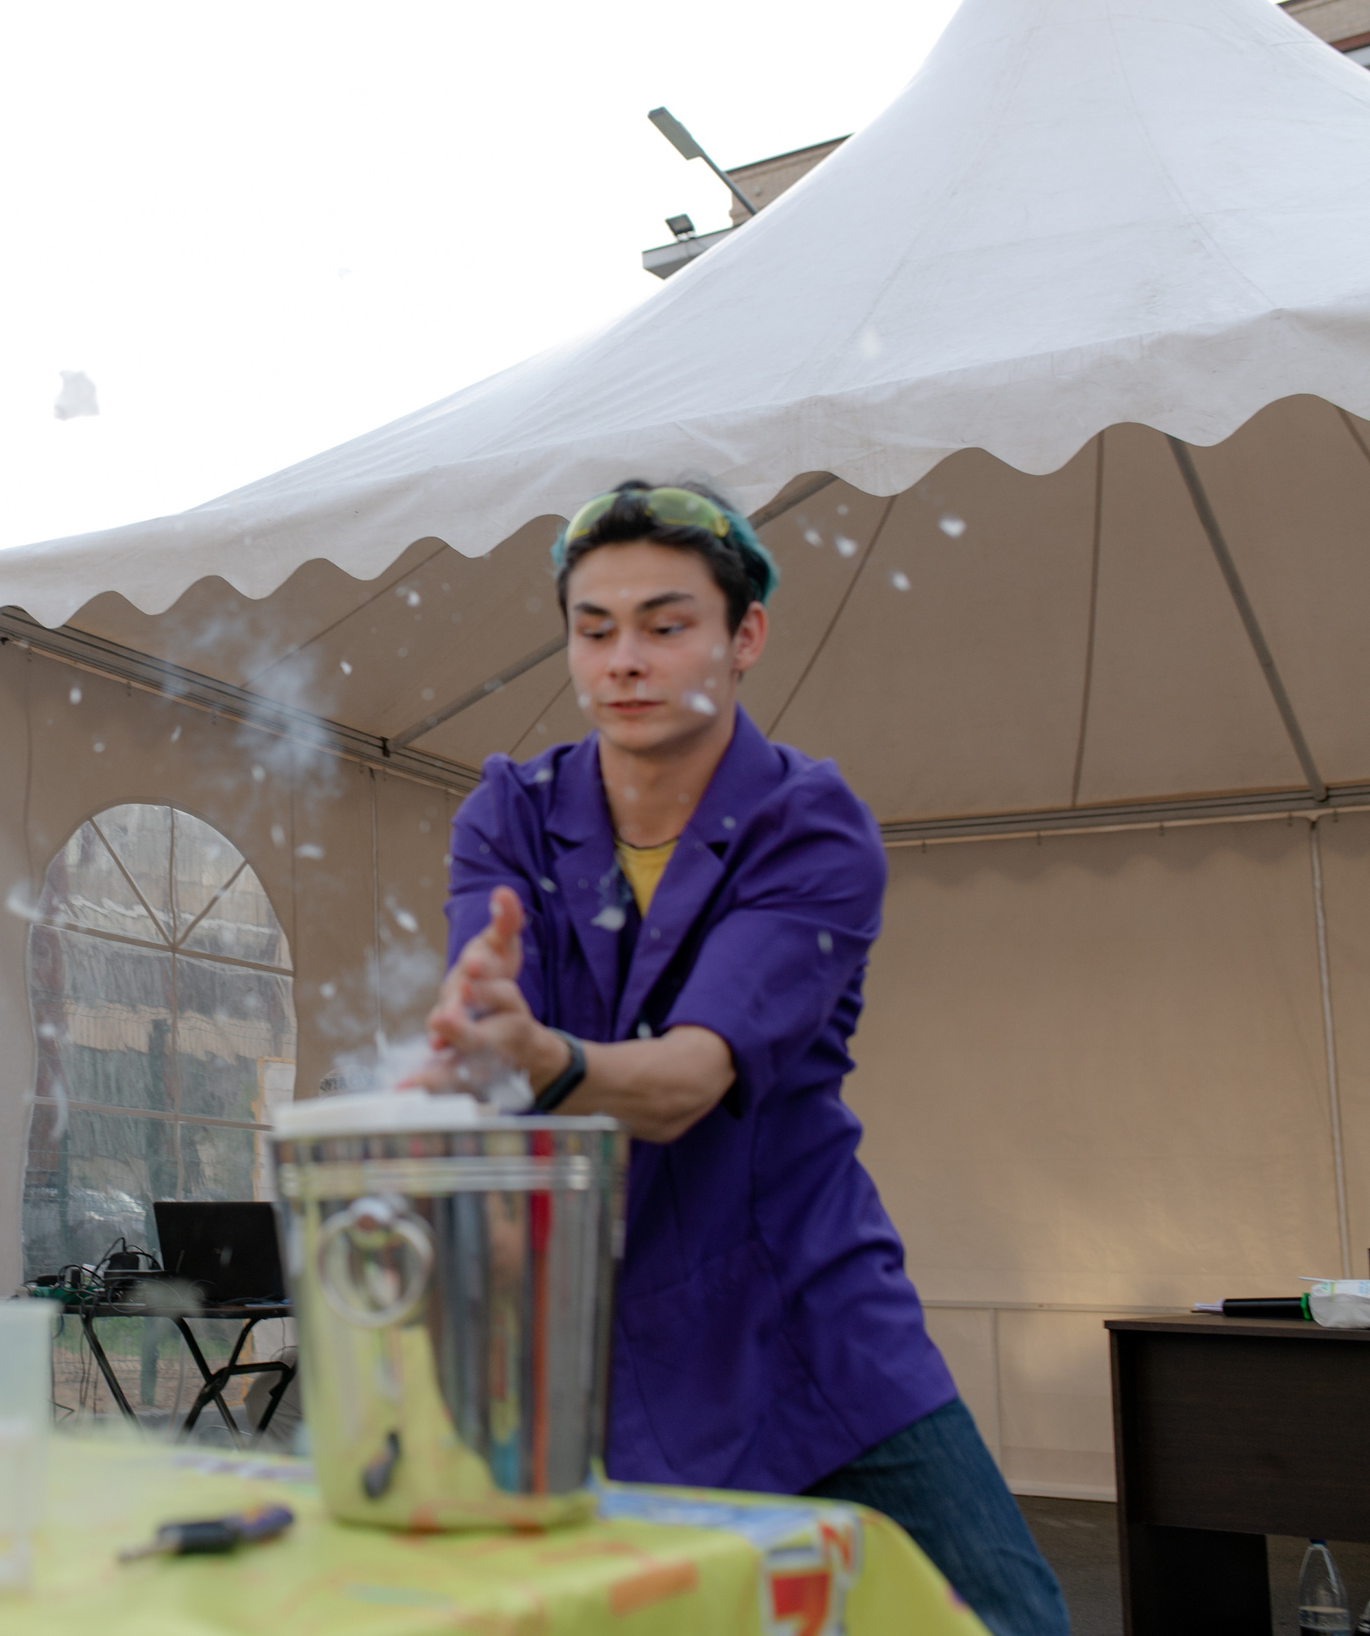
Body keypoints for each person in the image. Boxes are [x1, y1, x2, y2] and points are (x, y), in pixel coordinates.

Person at [421, 484, 1067, 1636]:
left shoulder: (811, 827)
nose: (624, 660)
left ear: (744, 635)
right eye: (593, 628)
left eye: (666, 626)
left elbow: (684, 1085)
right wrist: (471, 1041)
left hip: (803, 1318)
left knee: (1002, 1617)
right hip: (585, 1339)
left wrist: (533, 1056)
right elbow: (484, 1011)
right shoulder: (507, 815)